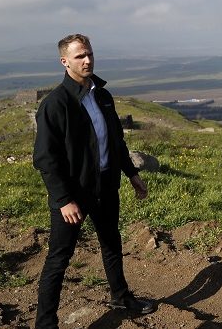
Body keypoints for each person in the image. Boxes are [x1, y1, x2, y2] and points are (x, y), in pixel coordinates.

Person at [33, 34, 155, 328]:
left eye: (89, 54)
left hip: (105, 185)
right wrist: (63, 199)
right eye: (79, 57)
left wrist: (131, 173)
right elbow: (46, 159)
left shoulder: (102, 96)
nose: (87, 60)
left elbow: (116, 140)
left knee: (111, 242)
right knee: (59, 260)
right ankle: (45, 323)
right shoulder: (56, 104)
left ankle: (121, 296)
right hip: (73, 194)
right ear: (64, 62)